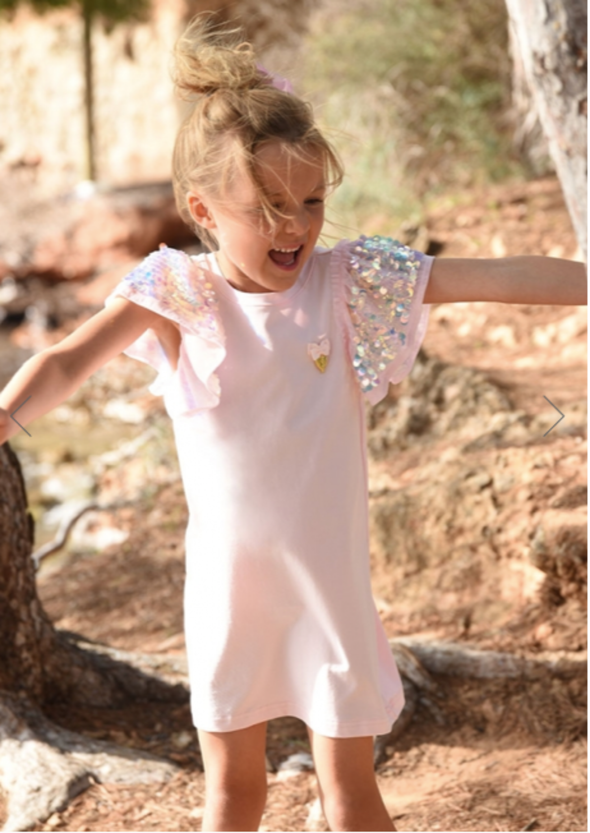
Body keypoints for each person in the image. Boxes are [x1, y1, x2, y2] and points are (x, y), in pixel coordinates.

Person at [0, 16, 585, 833]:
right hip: (230, 597)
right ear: (203, 209)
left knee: (351, 795)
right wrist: (5, 415)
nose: (296, 225)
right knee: (233, 796)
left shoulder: (347, 284)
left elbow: (491, 277)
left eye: (311, 201)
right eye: (268, 206)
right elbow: (68, 360)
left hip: (330, 592)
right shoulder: (177, 296)